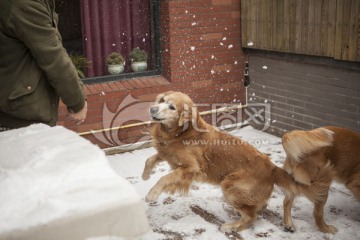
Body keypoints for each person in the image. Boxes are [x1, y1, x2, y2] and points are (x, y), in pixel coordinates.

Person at [0, 0, 87, 131]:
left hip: (18, 108)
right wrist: (77, 102)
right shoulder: (24, 4)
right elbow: (53, 57)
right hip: (22, 116)